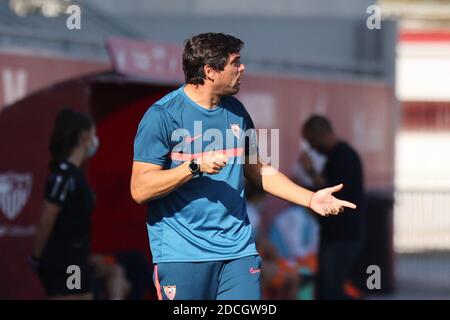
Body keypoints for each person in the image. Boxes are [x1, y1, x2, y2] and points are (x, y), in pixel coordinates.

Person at [130, 33, 356, 300]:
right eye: (235, 62)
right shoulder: (162, 116)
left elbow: (259, 171)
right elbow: (140, 189)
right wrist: (192, 167)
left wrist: (311, 199)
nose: (242, 68)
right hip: (183, 255)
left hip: (238, 253)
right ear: (210, 71)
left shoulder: (236, 112)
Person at [31, 108, 99, 299]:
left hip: (78, 256)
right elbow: (48, 217)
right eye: (94, 134)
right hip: (66, 259)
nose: (95, 141)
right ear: (84, 137)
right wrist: (37, 256)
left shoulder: (77, 175)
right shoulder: (63, 174)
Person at [301, 115, 365, 300]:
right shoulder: (336, 156)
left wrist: (310, 171)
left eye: (311, 141)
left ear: (319, 134)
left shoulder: (343, 156)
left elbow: (331, 191)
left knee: (331, 291)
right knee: (326, 289)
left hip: (342, 236)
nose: (312, 147)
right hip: (335, 235)